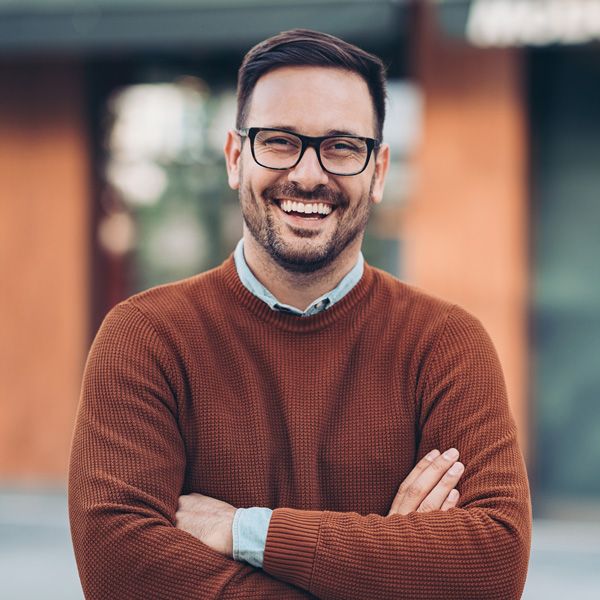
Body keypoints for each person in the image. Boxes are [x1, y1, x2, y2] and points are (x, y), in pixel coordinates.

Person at [69, 29, 531, 599]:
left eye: (341, 146)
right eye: (281, 141)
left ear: (379, 171)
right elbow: (121, 575)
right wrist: (390, 563)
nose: (309, 175)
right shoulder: (146, 338)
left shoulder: (446, 343)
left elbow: (494, 565)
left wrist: (246, 531)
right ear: (237, 158)